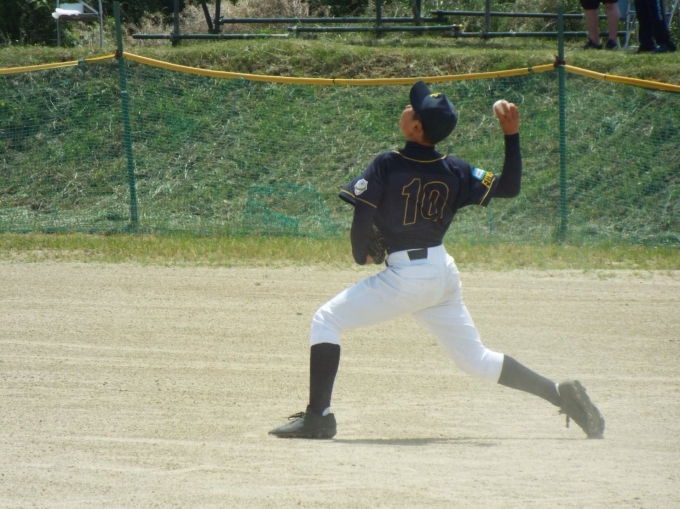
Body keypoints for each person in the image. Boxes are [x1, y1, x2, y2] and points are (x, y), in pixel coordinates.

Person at [268, 81, 605, 440]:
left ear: (416, 127)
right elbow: (509, 187)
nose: (407, 107)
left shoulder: (387, 163)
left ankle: (318, 418)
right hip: (441, 273)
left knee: (326, 319)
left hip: (407, 279)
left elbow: (362, 213)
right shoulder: (456, 169)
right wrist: (511, 135)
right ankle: (560, 394)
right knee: (476, 360)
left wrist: (360, 254)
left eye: (412, 108)